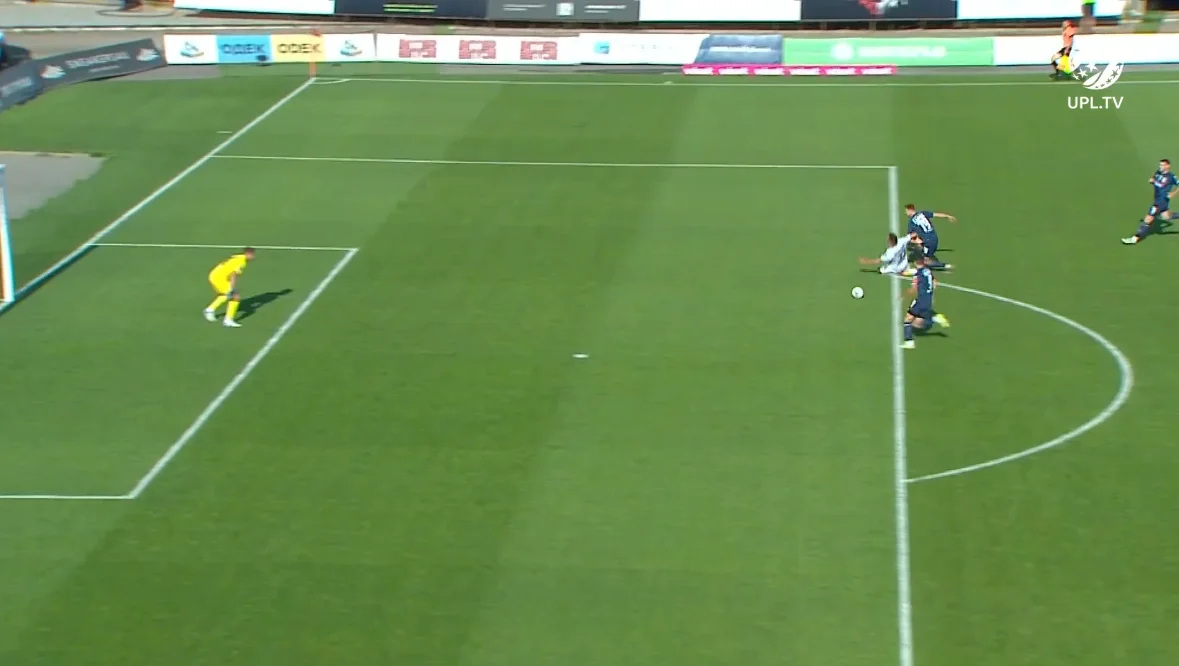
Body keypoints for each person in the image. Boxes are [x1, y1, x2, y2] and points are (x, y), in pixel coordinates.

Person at [1123, 160, 1178, 245]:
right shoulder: (1158, 172)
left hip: (1161, 201)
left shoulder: (1171, 177)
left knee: (1148, 219)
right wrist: (1152, 179)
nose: (1160, 167)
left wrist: (1173, 193)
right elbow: (1153, 177)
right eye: (1160, 165)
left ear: (1168, 166)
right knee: (1166, 216)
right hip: (1158, 199)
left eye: (1162, 165)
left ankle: (1135, 239)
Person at [902, 256, 950, 350]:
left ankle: (909, 342)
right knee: (919, 317)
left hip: (921, 300)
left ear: (915, 262)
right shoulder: (928, 271)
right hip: (928, 298)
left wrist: (904, 295)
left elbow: (914, 288)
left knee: (908, 319)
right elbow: (935, 283)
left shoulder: (918, 274)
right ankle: (935, 317)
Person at [205, 247, 255, 327]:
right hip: (218, 278)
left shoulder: (239, 258)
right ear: (248, 254)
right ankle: (227, 320)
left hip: (216, 275)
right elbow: (233, 275)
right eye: (252, 255)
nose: (253, 257)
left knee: (227, 295)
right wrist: (232, 288)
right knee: (235, 296)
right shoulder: (241, 261)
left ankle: (210, 310)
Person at [904, 203, 955, 271]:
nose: (906, 213)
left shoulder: (912, 222)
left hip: (928, 242)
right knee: (921, 251)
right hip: (935, 238)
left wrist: (909, 241)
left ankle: (945, 265)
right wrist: (947, 216)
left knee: (925, 261)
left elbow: (911, 236)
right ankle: (924, 254)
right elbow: (936, 214)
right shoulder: (923, 213)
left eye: (906, 211)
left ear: (910, 210)